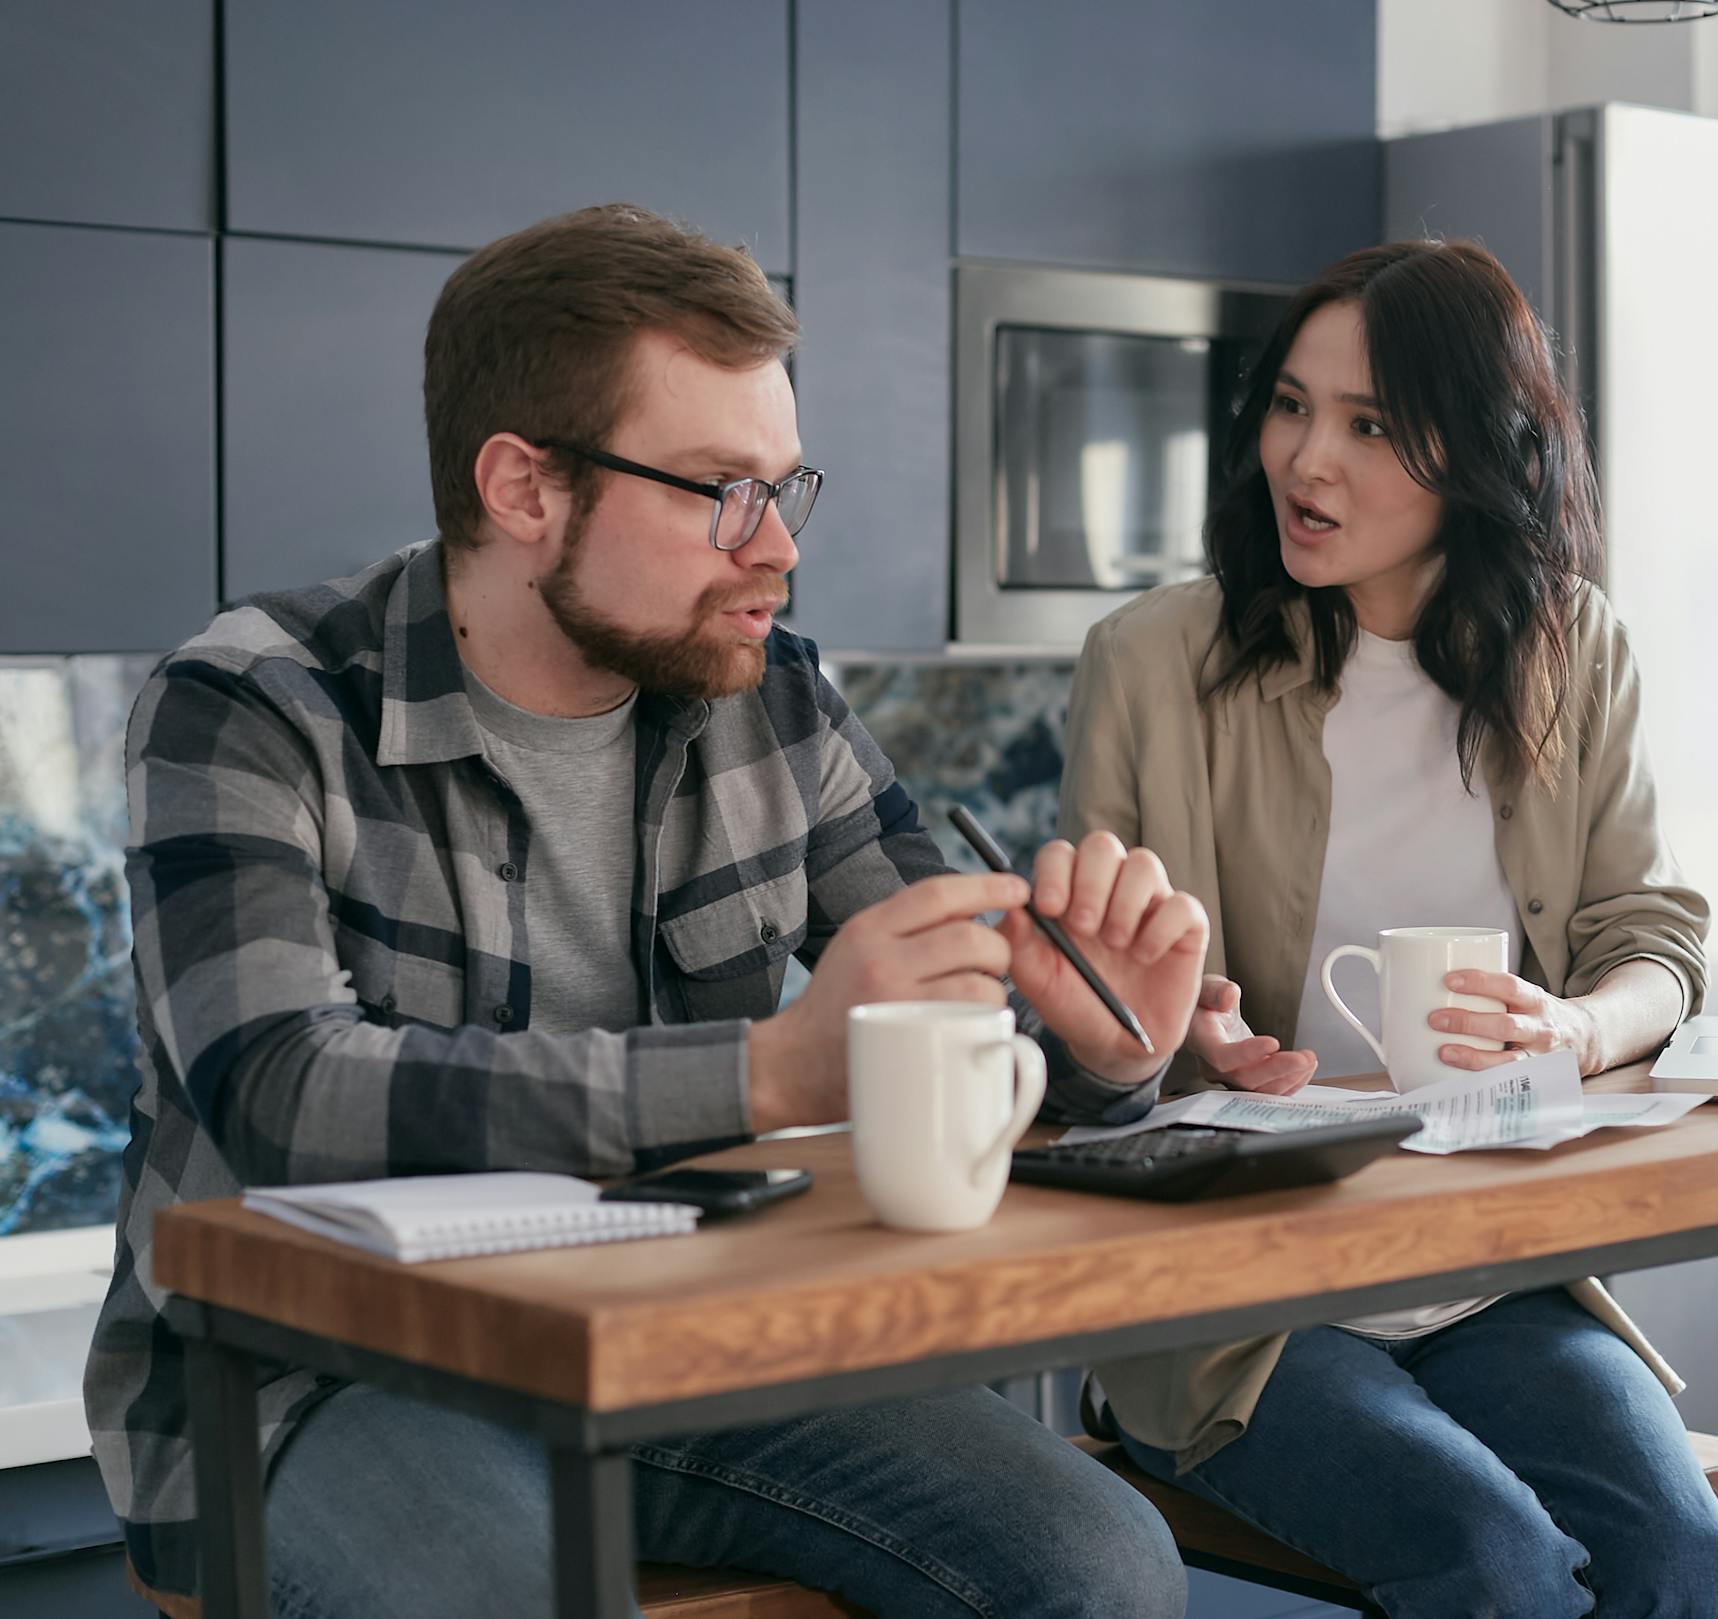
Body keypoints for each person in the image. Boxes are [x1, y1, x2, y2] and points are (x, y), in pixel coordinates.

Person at [84, 204, 1200, 1619]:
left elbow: (959, 1003)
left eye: (786, 492)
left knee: (1099, 1563)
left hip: (676, 1331)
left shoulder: (775, 696)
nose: (778, 553)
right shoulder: (254, 700)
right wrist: (771, 1070)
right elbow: (281, 1092)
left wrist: (1104, 1045)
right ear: (523, 488)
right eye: (720, 491)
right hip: (320, 1370)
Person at [1056, 239, 1718, 1616]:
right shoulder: (1149, 664)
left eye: (1370, 424)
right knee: (1496, 1567)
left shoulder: (1575, 650)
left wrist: (1577, 1024)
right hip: (1241, 1304)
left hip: (1488, 1275)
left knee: (1689, 1571)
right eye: (1289, 407)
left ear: (1479, 454)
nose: (1304, 460)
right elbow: (1094, 1033)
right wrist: (1170, 1040)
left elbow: (1656, 941)